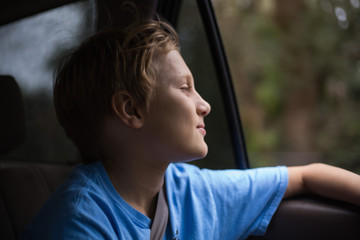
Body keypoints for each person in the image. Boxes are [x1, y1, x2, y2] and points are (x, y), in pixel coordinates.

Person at [21, 20, 360, 240]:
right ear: (132, 110)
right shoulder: (79, 222)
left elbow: (306, 176)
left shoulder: (192, 191)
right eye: (185, 88)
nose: (205, 105)